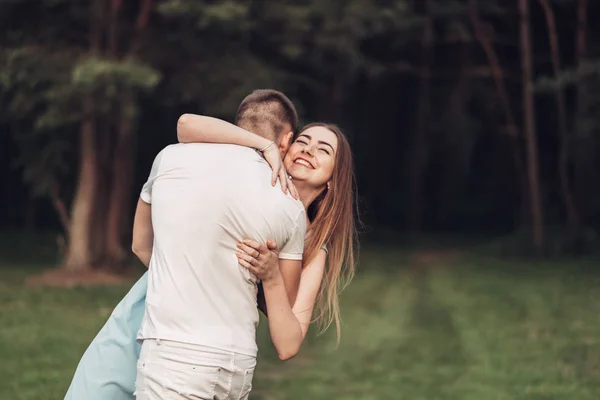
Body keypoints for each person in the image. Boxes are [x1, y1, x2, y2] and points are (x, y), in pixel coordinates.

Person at [65, 91, 357, 399]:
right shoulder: (238, 176)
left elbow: (288, 343)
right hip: (156, 315)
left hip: (201, 349)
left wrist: (272, 277)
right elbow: (188, 124)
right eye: (303, 141)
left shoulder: (311, 248)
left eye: (323, 150)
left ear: (332, 181)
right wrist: (263, 143)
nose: (309, 150)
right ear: (285, 145)